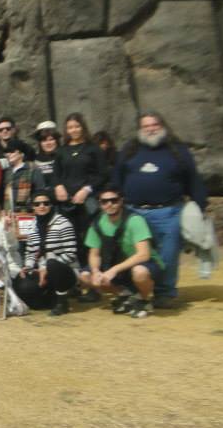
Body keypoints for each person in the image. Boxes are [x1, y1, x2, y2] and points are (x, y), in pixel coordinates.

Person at [112, 111, 207, 307]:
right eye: (145, 126)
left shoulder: (178, 150)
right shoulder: (129, 149)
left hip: (169, 213)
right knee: (134, 253)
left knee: (168, 255)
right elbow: (117, 178)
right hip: (134, 213)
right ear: (140, 129)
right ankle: (138, 289)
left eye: (154, 125)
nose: (150, 129)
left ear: (162, 126)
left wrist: (200, 205)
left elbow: (193, 179)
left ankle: (165, 294)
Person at [78, 187, 165, 319]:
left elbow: (144, 254)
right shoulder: (97, 223)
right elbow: (94, 254)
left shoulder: (134, 220)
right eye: (104, 201)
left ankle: (143, 300)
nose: (109, 204)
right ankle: (126, 295)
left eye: (114, 200)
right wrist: (95, 271)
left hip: (143, 263)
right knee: (86, 276)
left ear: (121, 201)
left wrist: (114, 270)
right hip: (115, 262)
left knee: (139, 272)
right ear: (100, 203)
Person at [55, 113, 107, 270]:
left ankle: (93, 272)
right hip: (67, 204)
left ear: (83, 127)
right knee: (71, 239)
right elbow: (56, 174)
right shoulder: (61, 150)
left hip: (88, 203)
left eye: (77, 126)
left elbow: (103, 174)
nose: (74, 130)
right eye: (70, 127)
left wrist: (87, 189)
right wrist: (58, 186)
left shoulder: (93, 149)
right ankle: (79, 274)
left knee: (90, 238)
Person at [14, 190, 79, 315]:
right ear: (33, 207)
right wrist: (28, 267)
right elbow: (30, 252)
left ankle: (62, 302)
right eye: (37, 204)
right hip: (42, 270)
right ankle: (48, 300)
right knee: (21, 282)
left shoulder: (63, 223)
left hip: (65, 270)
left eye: (45, 203)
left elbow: (71, 253)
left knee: (52, 264)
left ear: (51, 205)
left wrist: (46, 268)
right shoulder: (33, 226)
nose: (42, 206)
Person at [2, 142, 46, 213]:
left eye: (12, 152)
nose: (8, 154)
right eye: (7, 152)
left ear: (22, 154)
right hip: (9, 213)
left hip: (27, 212)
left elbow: (40, 191)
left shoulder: (33, 169)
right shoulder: (7, 171)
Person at [33, 121, 62, 190]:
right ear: (40, 143)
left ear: (57, 141)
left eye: (51, 139)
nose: (48, 143)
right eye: (44, 140)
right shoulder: (34, 161)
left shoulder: (64, 157)